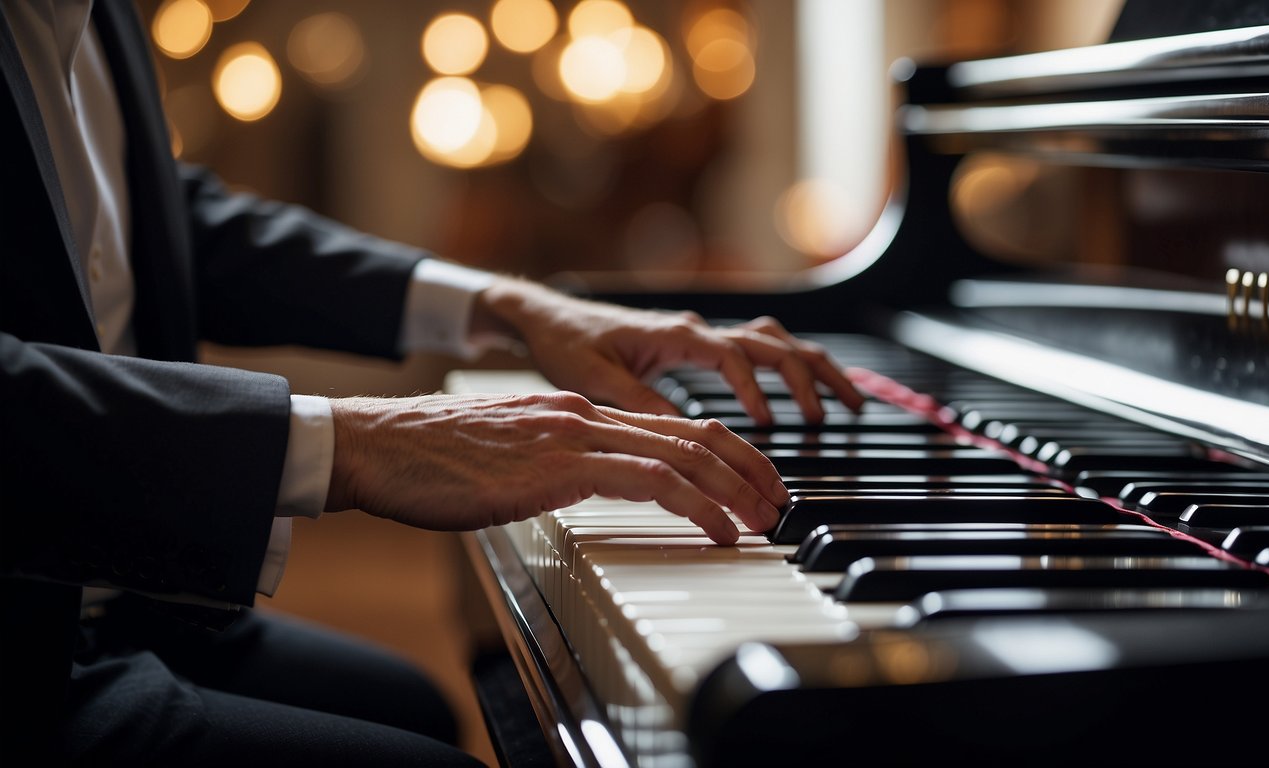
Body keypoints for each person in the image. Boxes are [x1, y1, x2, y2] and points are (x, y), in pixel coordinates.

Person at [0, 0, 864, 765]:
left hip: (126, 585)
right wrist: (353, 445)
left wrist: (508, 306)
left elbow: (157, 217)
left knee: (421, 709)